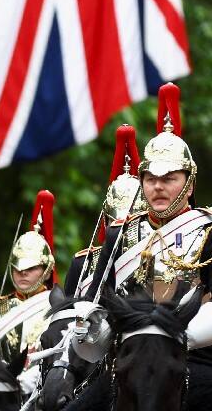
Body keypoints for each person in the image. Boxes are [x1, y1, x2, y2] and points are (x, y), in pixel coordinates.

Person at [103, 84, 212, 377]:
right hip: (127, 360)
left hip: (198, 356)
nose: (158, 186)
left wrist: (179, 335)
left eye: (169, 178)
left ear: (190, 184)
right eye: (151, 178)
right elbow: (100, 297)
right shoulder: (119, 233)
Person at [0, 190, 60, 395]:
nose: (22, 273)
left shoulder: (57, 308)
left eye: (31, 268)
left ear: (46, 271)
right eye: (17, 268)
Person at [67, 124, 146, 299]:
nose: (121, 229)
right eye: (115, 222)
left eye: (129, 223)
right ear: (106, 221)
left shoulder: (156, 254)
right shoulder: (84, 264)